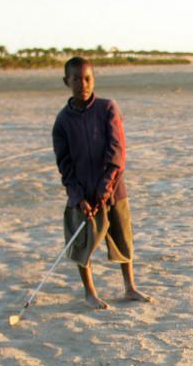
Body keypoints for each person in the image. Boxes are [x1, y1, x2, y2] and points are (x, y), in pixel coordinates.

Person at [52, 57, 151, 309]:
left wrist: (105, 187)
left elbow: (117, 152)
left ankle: (129, 287)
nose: (82, 84)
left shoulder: (108, 108)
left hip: (113, 190)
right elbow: (65, 165)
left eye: (87, 78)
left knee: (122, 237)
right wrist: (79, 197)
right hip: (83, 194)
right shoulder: (62, 121)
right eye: (76, 79)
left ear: (93, 80)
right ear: (67, 81)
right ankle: (90, 292)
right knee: (83, 243)